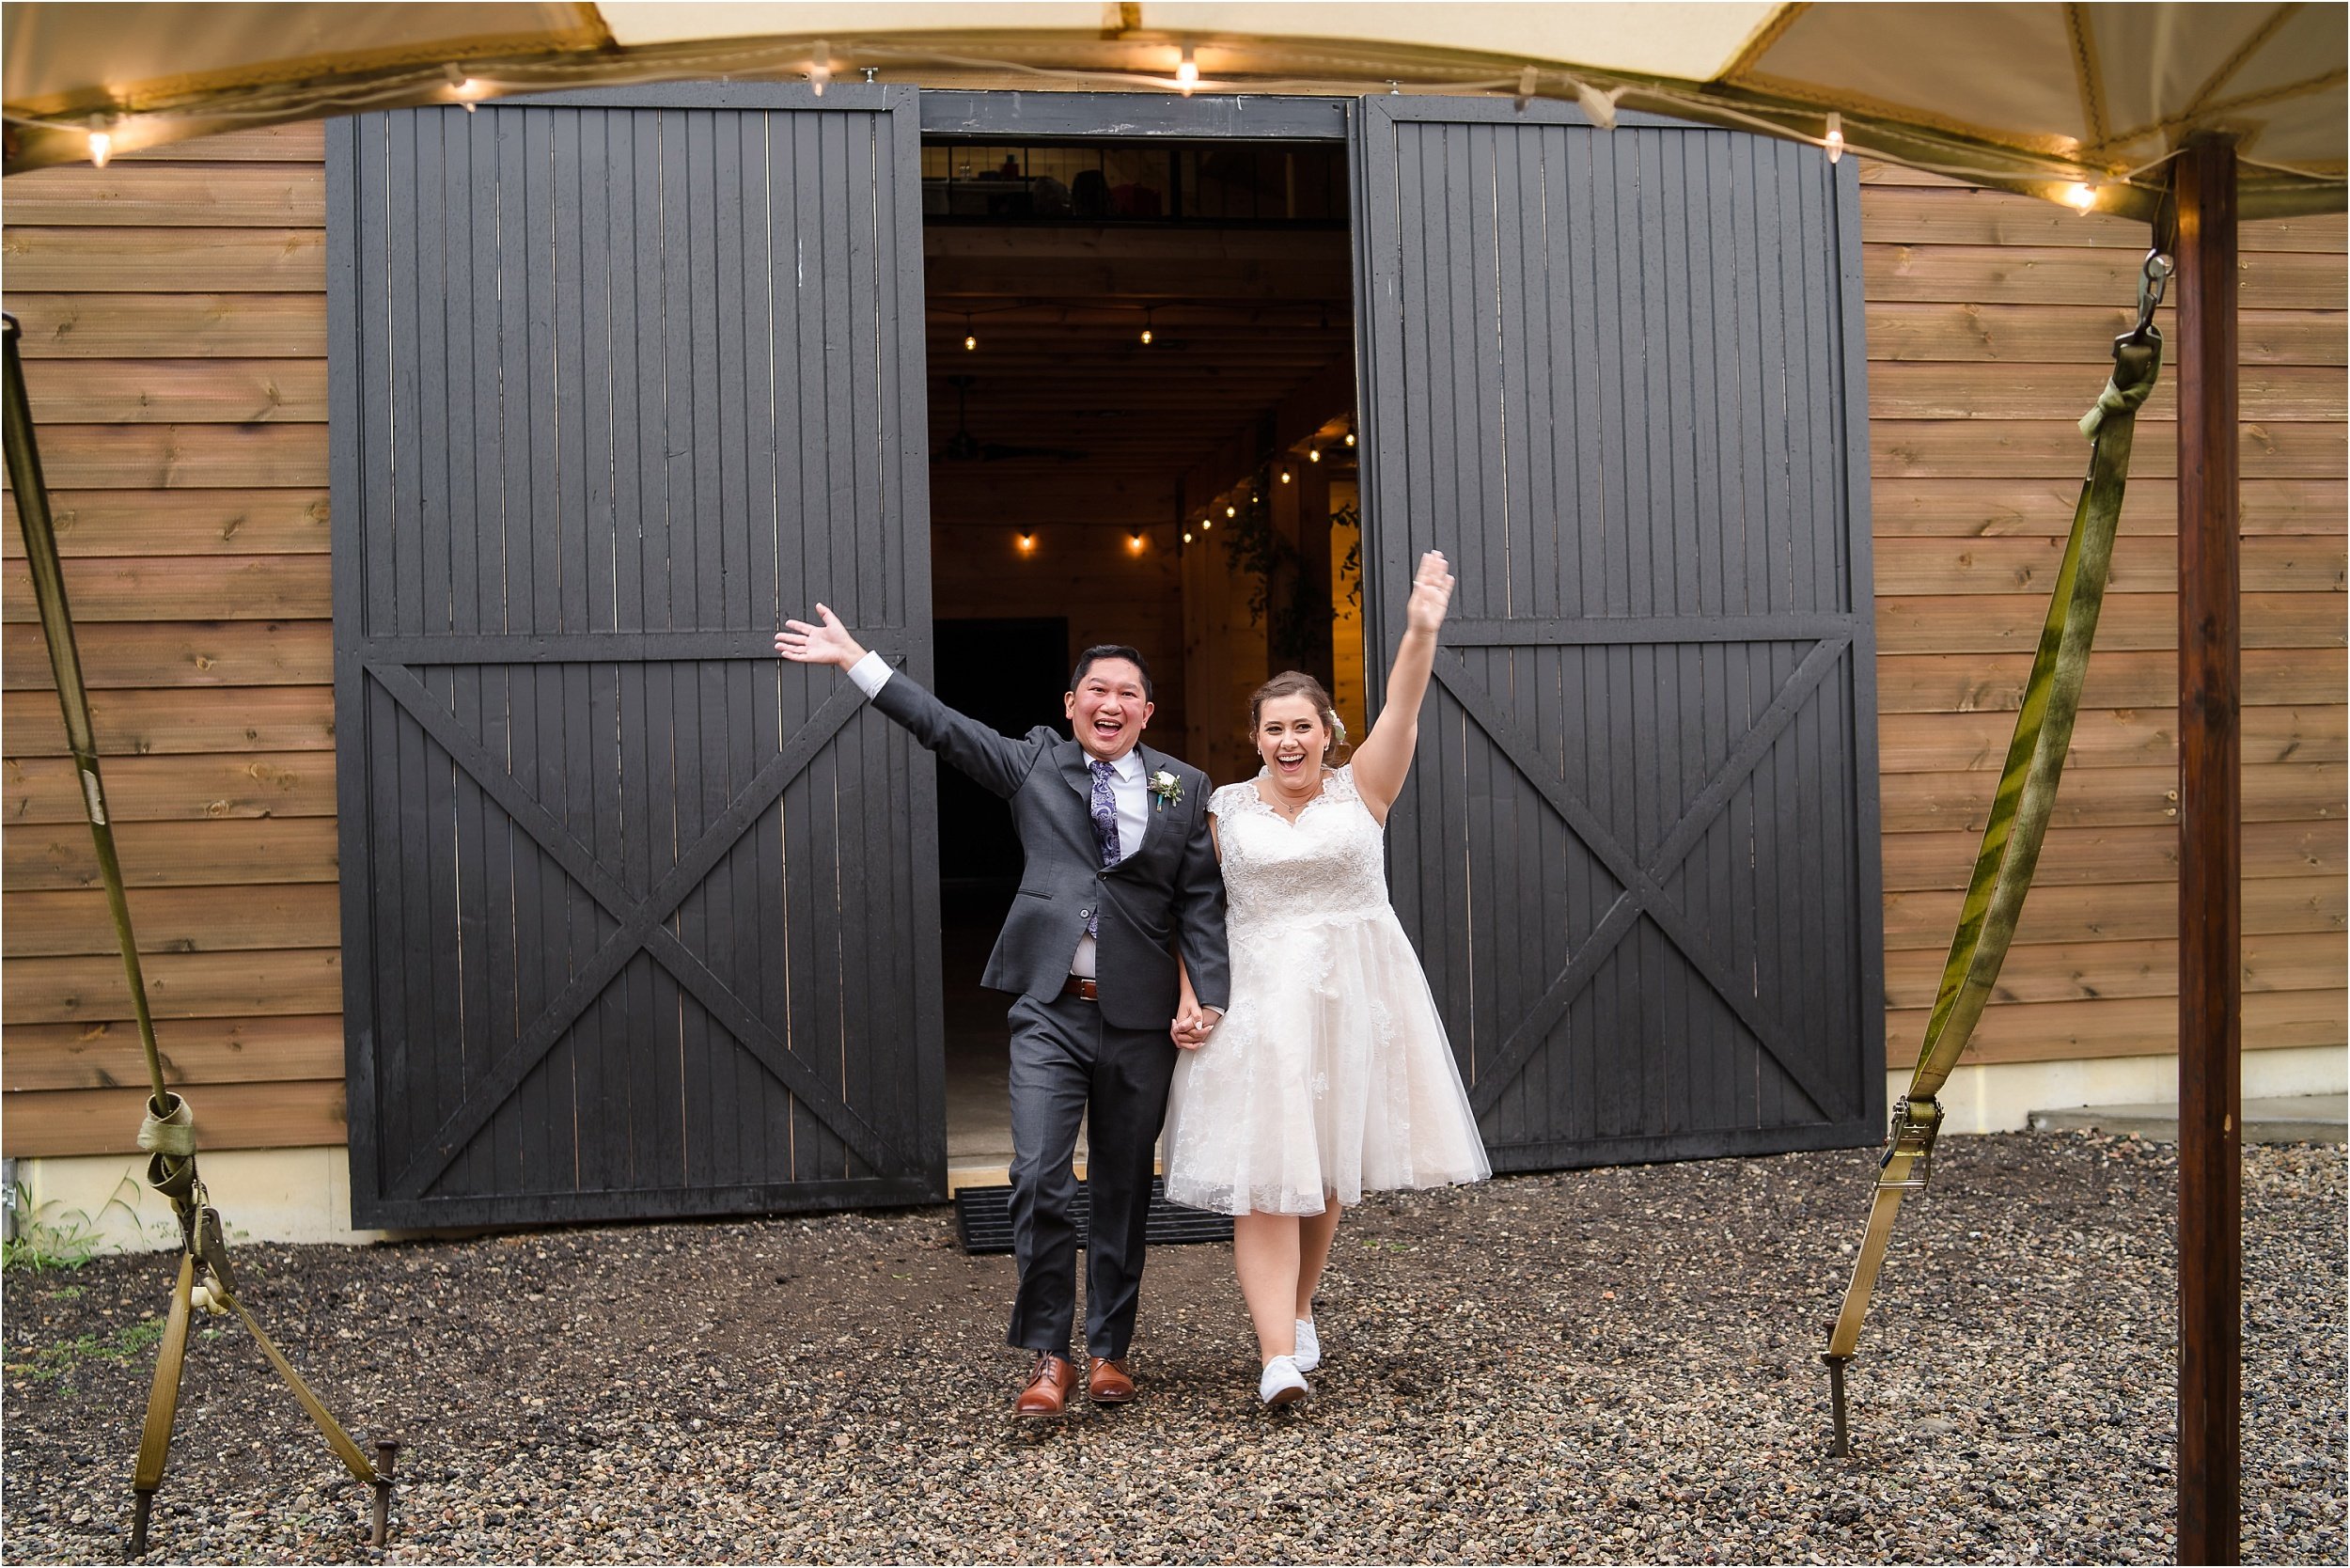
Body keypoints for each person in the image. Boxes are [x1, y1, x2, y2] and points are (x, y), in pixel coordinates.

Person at [776, 610, 1230, 1419]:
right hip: (1050, 1009)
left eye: (1129, 693)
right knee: (1038, 1175)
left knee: (1126, 1188)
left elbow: (1199, 904)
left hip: (1139, 1019)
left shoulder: (1181, 786)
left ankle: (1108, 1351)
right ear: (1071, 702)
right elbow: (943, 728)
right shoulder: (1032, 767)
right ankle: (1049, 1355)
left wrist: (1211, 996)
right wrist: (856, 662)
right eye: (1098, 689)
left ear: (1148, 712)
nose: (1112, 703)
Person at [1162, 550, 1492, 1407]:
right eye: (1272, 729)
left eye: (1301, 726)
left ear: (1329, 729)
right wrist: (1192, 994)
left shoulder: (1364, 791)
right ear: (1255, 738)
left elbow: (1407, 702)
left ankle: (1302, 1309)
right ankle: (1276, 1357)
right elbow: (1192, 912)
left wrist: (1421, 629)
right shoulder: (1222, 809)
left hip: (1353, 1002)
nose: (1287, 741)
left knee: (1326, 1175)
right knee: (1265, 1180)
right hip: (1261, 1006)